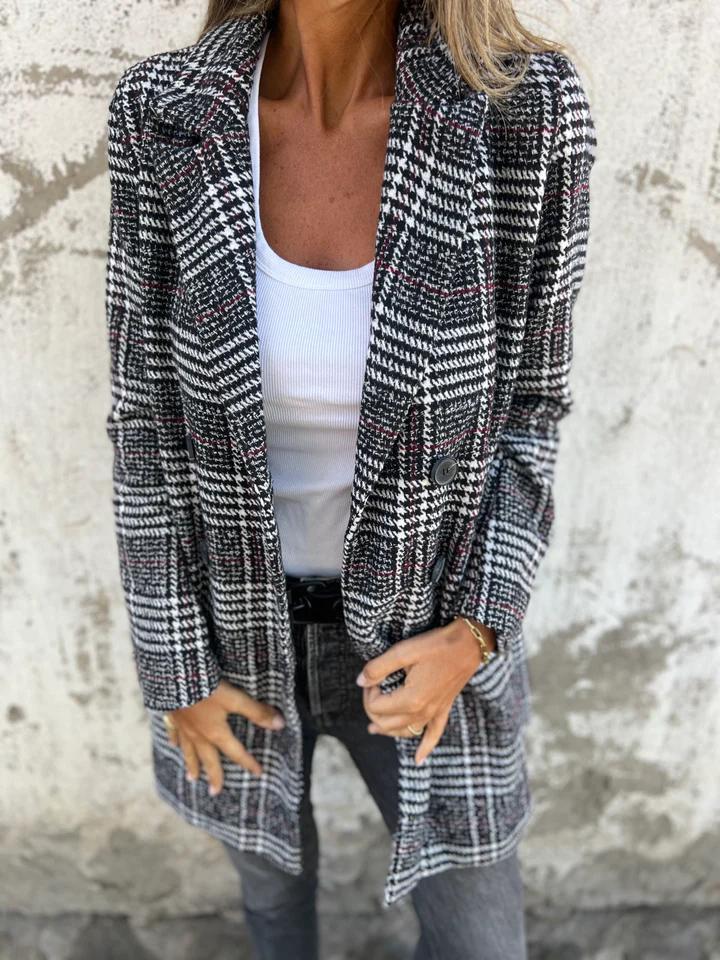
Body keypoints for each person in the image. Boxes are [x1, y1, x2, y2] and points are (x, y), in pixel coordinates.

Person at [103, 0, 597, 956]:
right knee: (273, 913)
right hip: (231, 643)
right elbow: (145, 421)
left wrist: (479, 630)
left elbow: (532, 409)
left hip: (433, 637)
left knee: (479, 939)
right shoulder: (164, 110)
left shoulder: (523, 109)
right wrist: (176, 670)